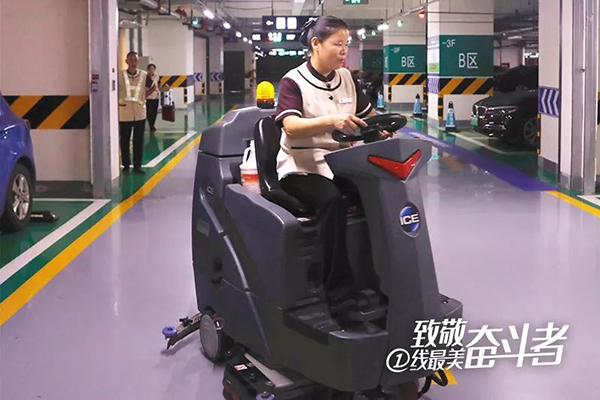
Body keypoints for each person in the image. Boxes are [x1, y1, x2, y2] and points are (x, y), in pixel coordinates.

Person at [275, 16, 393, 301]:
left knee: (378, 193)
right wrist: (332, 121)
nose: (344, 51)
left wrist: (381, 127)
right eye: (337, 44)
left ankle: (379, 274)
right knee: (332, 201)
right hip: (300, 165)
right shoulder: (293, 81)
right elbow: (290, 126)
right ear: (316, 44)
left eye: (347, 44)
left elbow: (368, 115)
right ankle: (335, 288)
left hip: (340, 161)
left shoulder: (347, 78)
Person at [118, 51, 155, 174]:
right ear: (126, 61)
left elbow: (153, 87)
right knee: (124, 140)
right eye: (131, 60)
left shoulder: (144, 75)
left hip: (139, 113)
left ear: (138, 61)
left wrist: (144, 96)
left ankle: (137, 166)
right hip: (124, 113)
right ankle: (126, 165)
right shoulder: (120, 76)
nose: (133, 63)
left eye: (135, 60)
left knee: (138, 141)